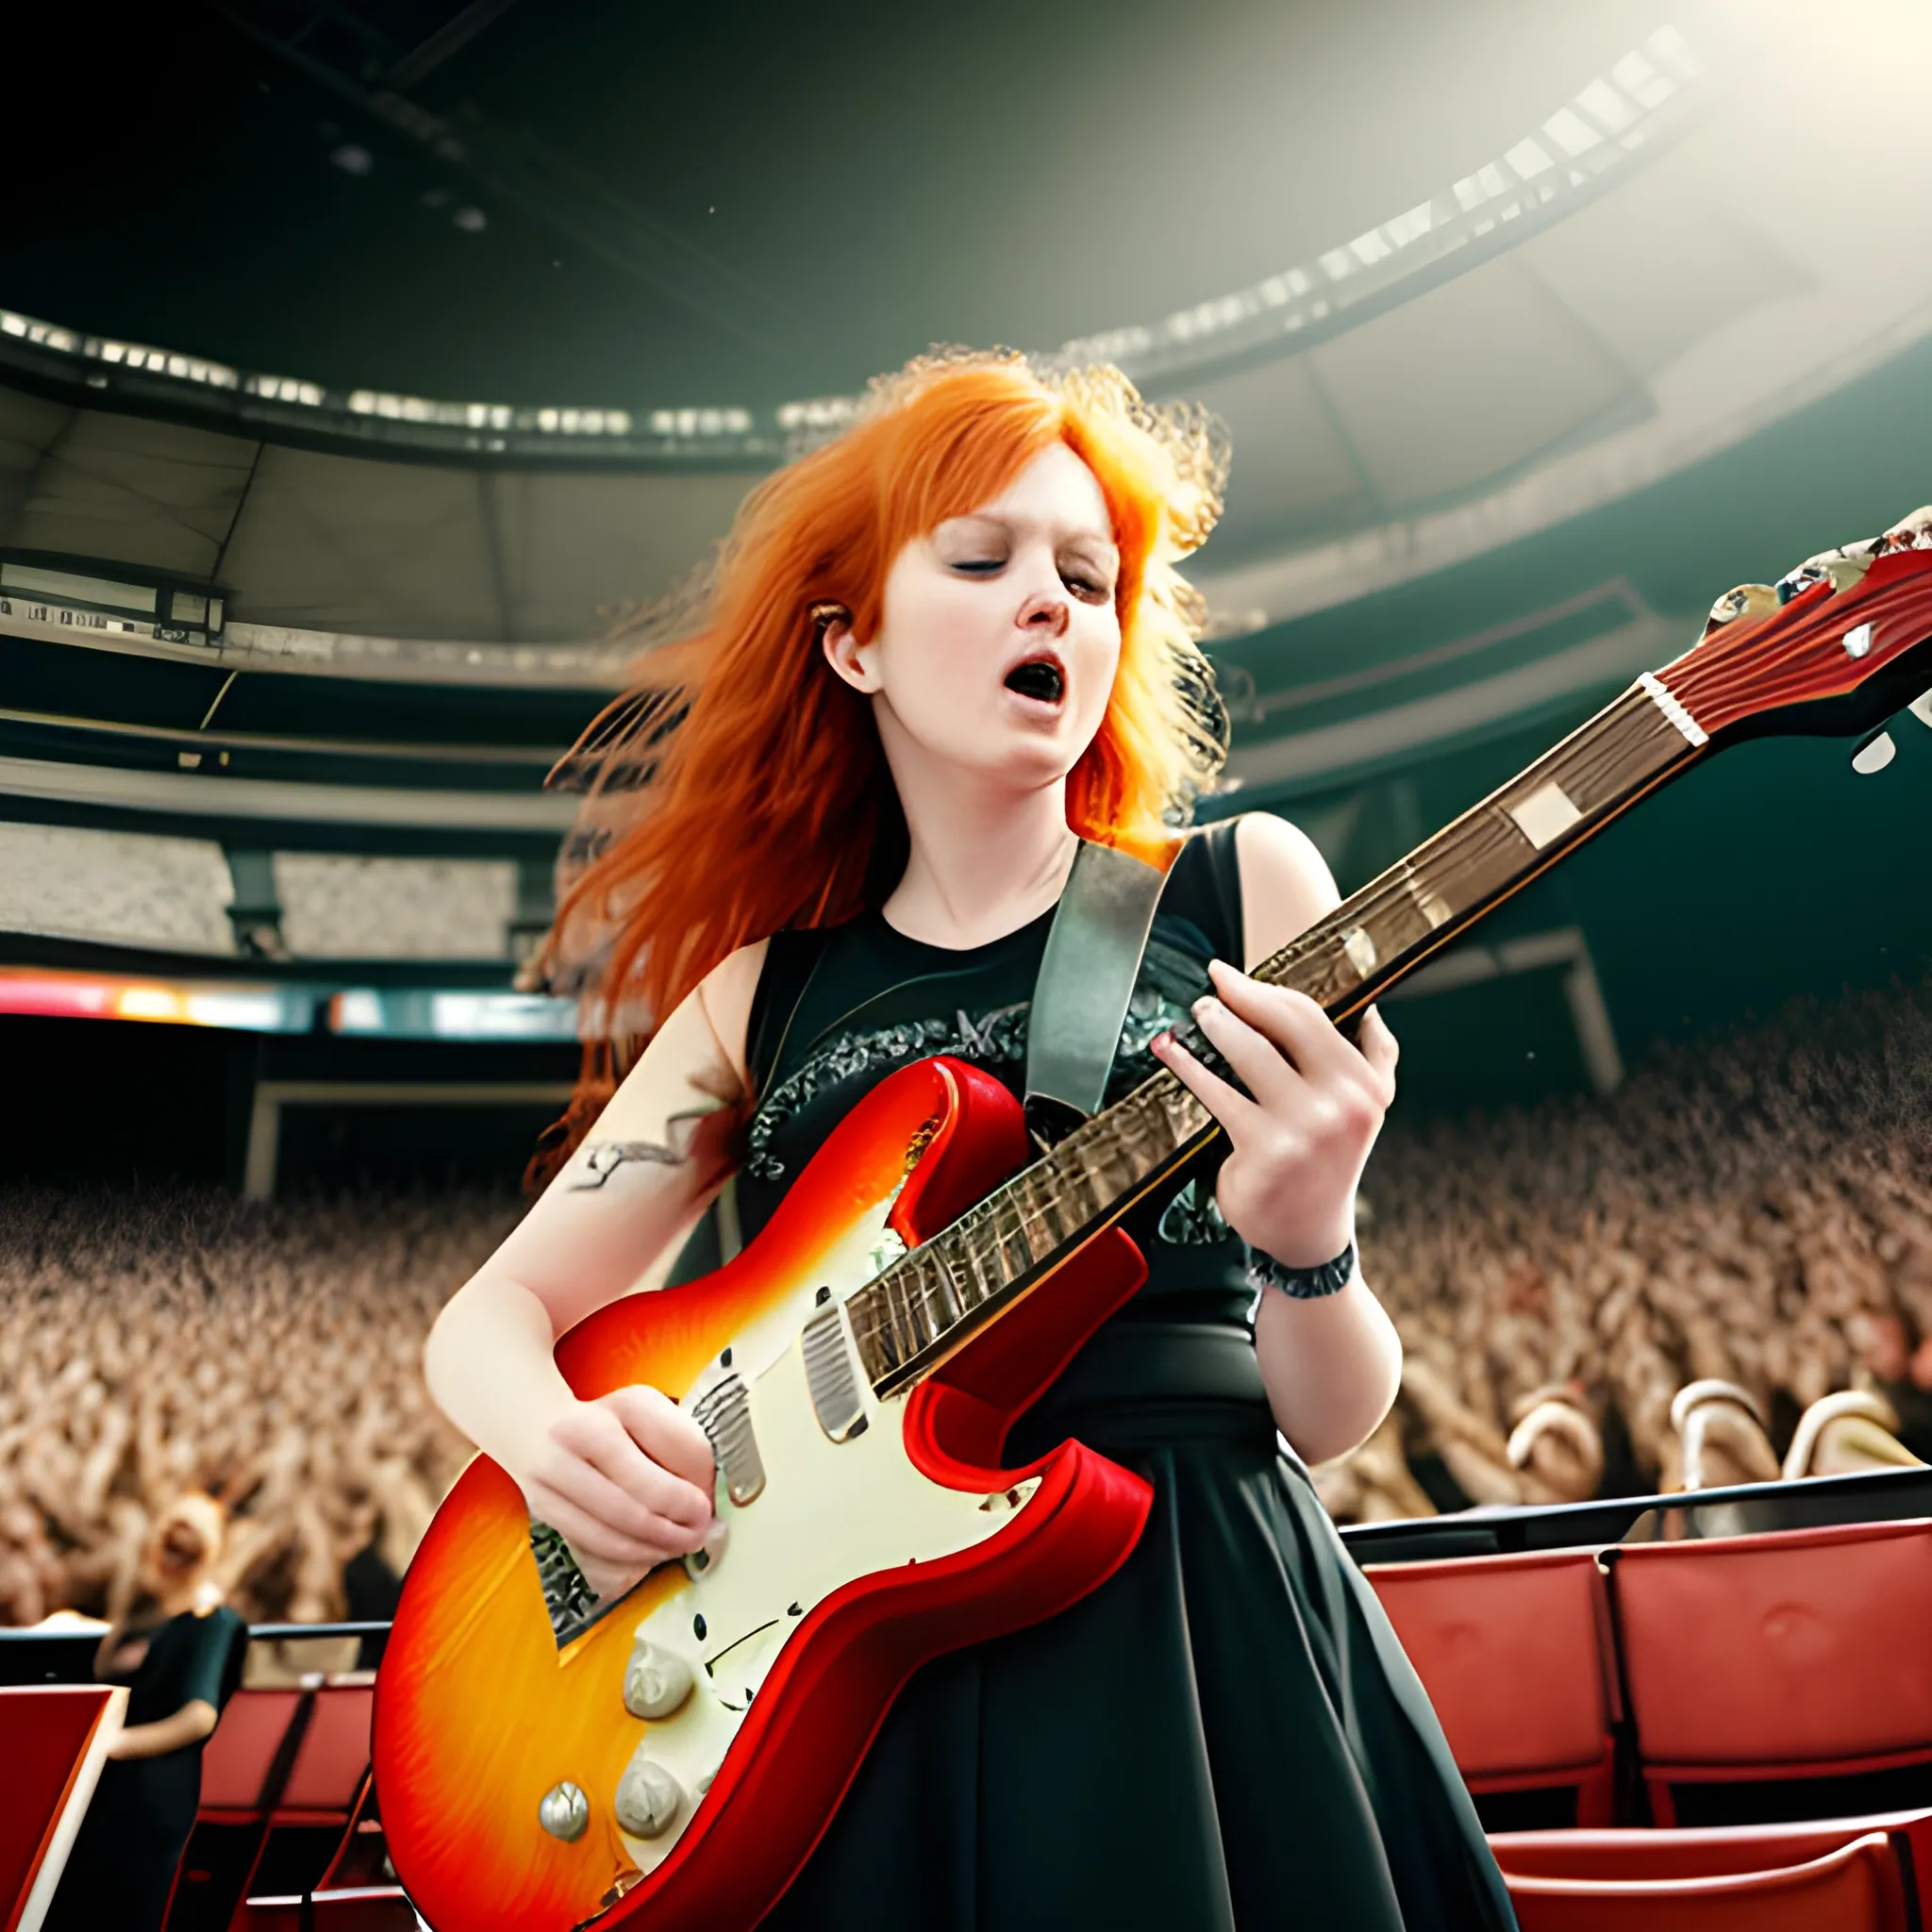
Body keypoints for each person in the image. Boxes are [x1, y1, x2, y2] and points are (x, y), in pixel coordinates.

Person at [425, 352, 1516, 1929]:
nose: (1052, 603)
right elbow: (487, 1319)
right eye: (983, 556)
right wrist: (553, 1442)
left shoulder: (1235, 891)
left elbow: (1326, 1416)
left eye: (1088, 574)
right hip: (838, 1672)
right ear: (849, 641)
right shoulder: (759, 999)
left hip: (1184, 1618)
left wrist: (1309, 1237)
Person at [47, 1490, 248, 1932]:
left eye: (193, 1535)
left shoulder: (211, 1621)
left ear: (215, 1552)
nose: (177, 1541)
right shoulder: (142, 1610)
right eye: (171, 1529)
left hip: (146, 1802)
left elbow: (199, 1715)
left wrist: (112, 1746)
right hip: (103, 1797)